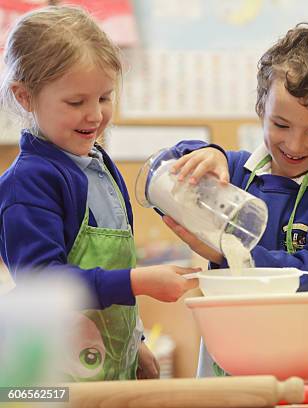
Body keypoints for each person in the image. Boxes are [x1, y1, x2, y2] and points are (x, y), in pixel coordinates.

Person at [160, 23, 308, 377]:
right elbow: (164, 175)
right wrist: (207, 153)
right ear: (261, 107)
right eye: (281, 124)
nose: (294, 144)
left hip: (307, 364)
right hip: (228, 361)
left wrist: (229, 252)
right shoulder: (230, 173)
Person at [0, 6, 199, 381]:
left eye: (104, 98)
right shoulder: (28, 183)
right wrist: (137, 282)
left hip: (106, 372)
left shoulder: (100, 165)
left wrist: (134, 341)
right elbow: (45, 286)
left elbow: (106, 272)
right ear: (25, 97)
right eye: (76, 102)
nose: (94, 115)